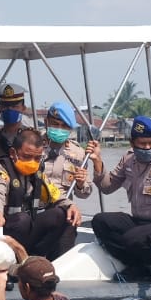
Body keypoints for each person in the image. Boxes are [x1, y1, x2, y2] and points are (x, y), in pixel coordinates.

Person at [85, 115, 151, 280]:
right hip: (140, 222)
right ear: (133, 143)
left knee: (133, 239)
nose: (147, 148)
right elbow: (107, 187)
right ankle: (139, 265)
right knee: (100, 221)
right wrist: (97, 162)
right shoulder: (129, 160)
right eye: (142, 144)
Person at [0, 128, 75, 260]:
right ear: (13, 153)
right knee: (22, 220)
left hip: (25, 233)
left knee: (61, 214)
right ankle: (9, 264)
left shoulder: (37, 174)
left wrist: (70, 205)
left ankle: (35, 260)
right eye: (26, 157)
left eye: (37, 158)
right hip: (2, 231)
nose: (32, 162)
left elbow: (54, 193)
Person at [41, 101, 92, 258]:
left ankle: (62, 261)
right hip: (36, 208)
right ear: (46, 122)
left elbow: (85, 193)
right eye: (55, 124)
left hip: (63, 210)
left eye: (64, 127)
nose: (59, 129)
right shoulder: (32, 144)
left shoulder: (78, 154)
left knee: (70, 218)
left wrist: (81, 184)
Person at [0, 83, 30, 161]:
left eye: (14, 106)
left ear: (23, 108)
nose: (10, 110)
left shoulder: (30, 137)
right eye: (6, 106)